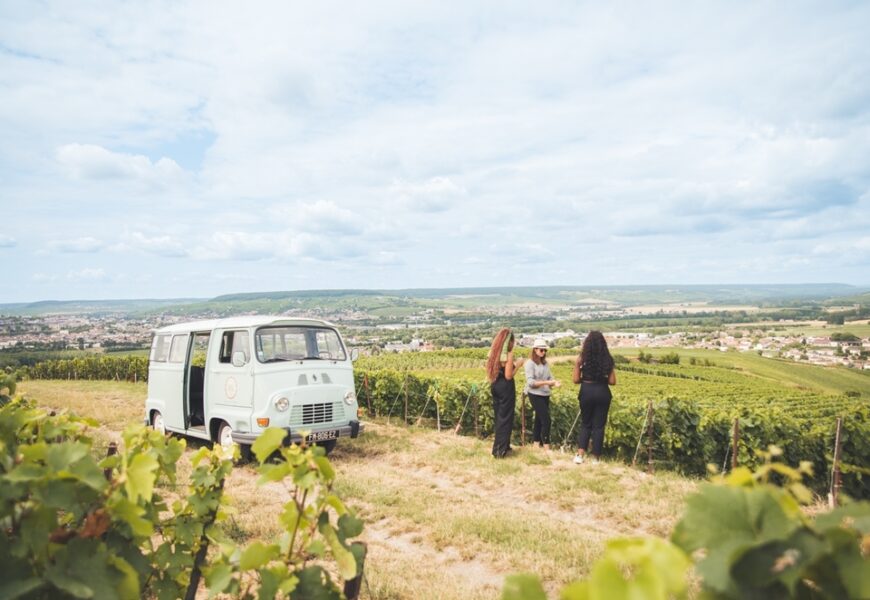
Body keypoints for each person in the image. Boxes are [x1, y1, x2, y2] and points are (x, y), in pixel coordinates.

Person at [572, 331, 616, 464]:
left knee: (586, 423)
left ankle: (580, 455)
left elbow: (575, 380)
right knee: (599, 426)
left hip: (586, 391)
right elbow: (612, 381)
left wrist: (584, 378)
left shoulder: (582, 359)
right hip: (602, 392)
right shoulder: (608, 359)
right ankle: (596, 458)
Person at [486, 328, 521, 458]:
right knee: (506, 418)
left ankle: (503, 446)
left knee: (499, 417)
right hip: (506, 388)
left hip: (495, 385)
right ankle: (499, 451)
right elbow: (508, 375)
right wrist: (518, 365)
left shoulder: (493, 353)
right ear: (509, 342)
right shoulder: (508, 354)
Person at [524, 339, 560, 449]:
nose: (543, 352)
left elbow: (550, 377)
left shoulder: (545, 363)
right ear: (535, 350)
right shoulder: (530, 364)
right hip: (534, 394)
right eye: (541, 350)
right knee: (546, 420)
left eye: (545, 350)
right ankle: (546, 446)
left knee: (539, 419)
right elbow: (531, 383)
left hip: (545, 394)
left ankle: (535, 445)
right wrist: (547, 382)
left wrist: (554, 383)